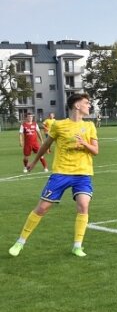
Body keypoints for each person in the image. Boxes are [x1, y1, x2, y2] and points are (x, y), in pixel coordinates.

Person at [8, 93, 99, 258]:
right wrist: (35, 162)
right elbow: (46, 145)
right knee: (42, 208)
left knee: (83, 205)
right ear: (77, 106)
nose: (89, 105)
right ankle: (20, 242)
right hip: (61, 172)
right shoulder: (58, 125)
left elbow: (95, 151)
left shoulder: (90, 126)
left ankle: (77, 246)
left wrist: (84, 144)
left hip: (83, 173)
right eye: (86, 103)